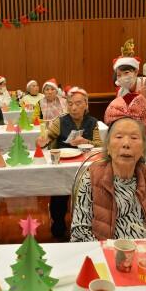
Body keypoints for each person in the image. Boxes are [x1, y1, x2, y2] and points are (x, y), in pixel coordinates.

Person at [71, 100, 146, 241]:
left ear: (143, 148)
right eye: (119, 137)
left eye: (134, 137)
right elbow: (80, 231)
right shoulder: (91, 178)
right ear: (107, 146)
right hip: (104, 255)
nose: (126, 144)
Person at [37, 87, 103, 240]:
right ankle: (58, 224)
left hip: (85, 166)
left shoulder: (92, 122)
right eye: (70, 104)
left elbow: (99, 144)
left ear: (86, 104)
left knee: (88, 195)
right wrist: (43, 141)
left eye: (78, 103)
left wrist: (86, 141)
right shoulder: (60, 121)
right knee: (59, 196)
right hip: (62, 165)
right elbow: (47, 137)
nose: (74, 107)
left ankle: (85, 225)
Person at [112, 39, 146, 169]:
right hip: (138, 131)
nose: (122, 77)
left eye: (126, 73)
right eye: (119, 75)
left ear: (136, 72)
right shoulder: (122, 92)